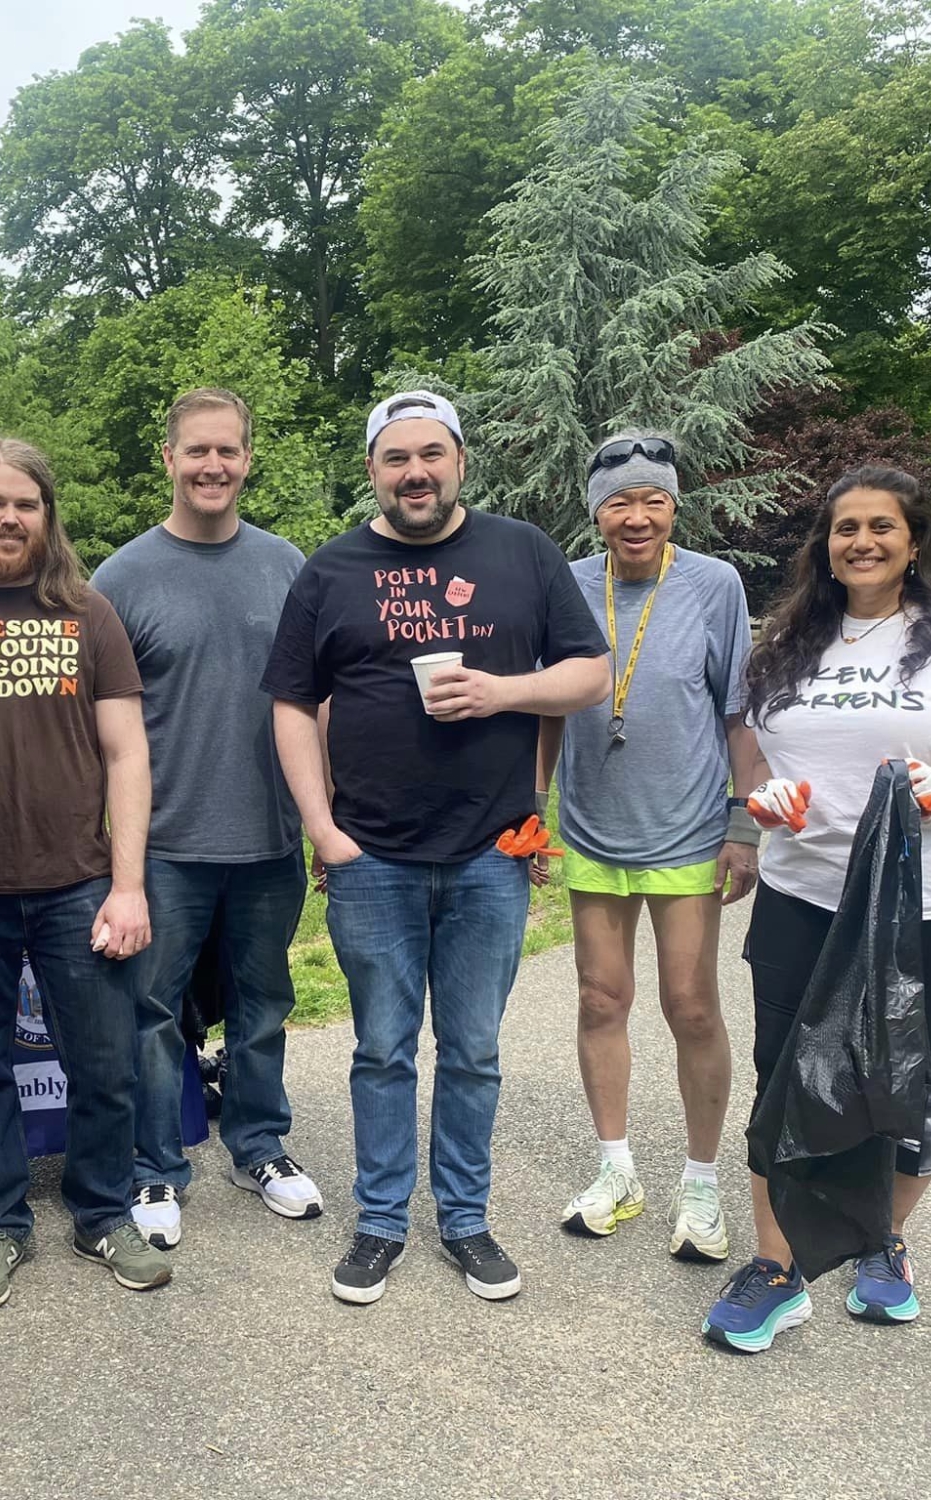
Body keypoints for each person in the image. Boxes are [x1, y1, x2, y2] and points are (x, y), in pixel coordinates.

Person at [262, 391, 611, 1305]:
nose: (414, 473)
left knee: (472, 1050)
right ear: (373, 470)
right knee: (381, 1049)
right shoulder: (332, 570)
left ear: (459, 461)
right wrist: (323, 830)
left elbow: (590, 672)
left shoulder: (523, 552)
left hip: (491, 853)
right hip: (370, 854)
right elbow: (291, 704)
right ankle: (381, 1222)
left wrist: (501, 693)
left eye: (431, 455)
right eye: (396, 458)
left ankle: (465, 1220)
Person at [704, 464, 931, 1353]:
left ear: (913, 541)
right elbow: (756, 756)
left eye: (882, 526)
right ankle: (777, 1269)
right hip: (802, 894)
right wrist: (762, 801)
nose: (863, 542)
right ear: (825, 545)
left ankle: (883, 1239)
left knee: (910, 1083)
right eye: (846, 527)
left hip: (929, 903)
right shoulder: (787, 640)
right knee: (785, 1078)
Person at [0, 434, 172, 1305]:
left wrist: (129, 885)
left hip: (78, 884)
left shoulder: (89, 614)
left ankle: (102, 1213)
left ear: (47, 515)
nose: (10, 517)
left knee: (105, 1065)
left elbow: (128, 754)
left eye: (25, 503)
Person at [92, 388, 321, 1251]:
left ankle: (259, 1147)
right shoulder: (121, 579)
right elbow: (96, 730)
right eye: (197, 451)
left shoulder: (287, 566)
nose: (212, 466)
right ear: (169, 458)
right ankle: (156, 1165)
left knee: (264, 1004)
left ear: (248, 459)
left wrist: (326, 819)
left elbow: (318, 702)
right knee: (153, 1014)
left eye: (228, 450)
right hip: (163, 846)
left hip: (269, 838)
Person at [534, 433, 763, 1264]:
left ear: (673, 507)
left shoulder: (714, 583)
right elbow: (548, 709)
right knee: (600, 998)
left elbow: (739, 710)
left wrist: (744, 824)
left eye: (653, 500)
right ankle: (616, 1170)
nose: (637, 517)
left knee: (691, 1004)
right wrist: (531, 812)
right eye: (620, 503)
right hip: (594, 828)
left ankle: (701, 1183)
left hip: (689, 828)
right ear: (596, 512)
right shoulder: (565, 584)